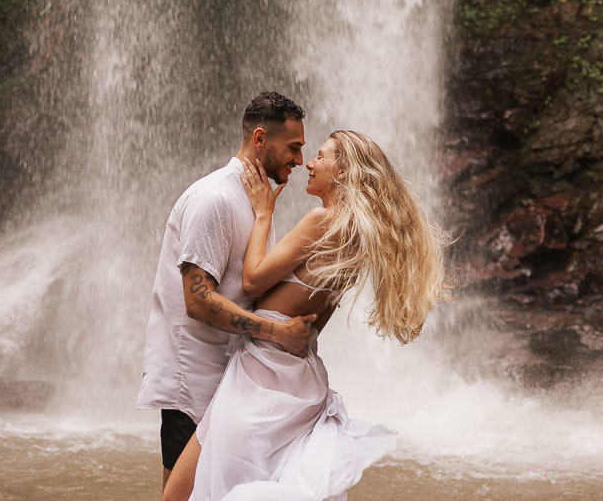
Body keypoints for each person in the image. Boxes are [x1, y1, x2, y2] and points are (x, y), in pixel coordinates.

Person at [162, 130, 448, 501]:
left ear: (343, 171)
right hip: (299, 374)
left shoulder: (320, 221)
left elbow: (251, 282)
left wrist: (264, 213)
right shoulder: (356, 237)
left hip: (261, 373)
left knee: (179, 496)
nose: (308, 163)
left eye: (319, 156)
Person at [137, 92, 318, 493]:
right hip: (194, 377)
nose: (300, 161)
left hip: (229, 375)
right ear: (260, 139)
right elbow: (198, 300)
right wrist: (277, 333)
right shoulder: (214, 200)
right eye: (293, 148)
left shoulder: (255, 201)